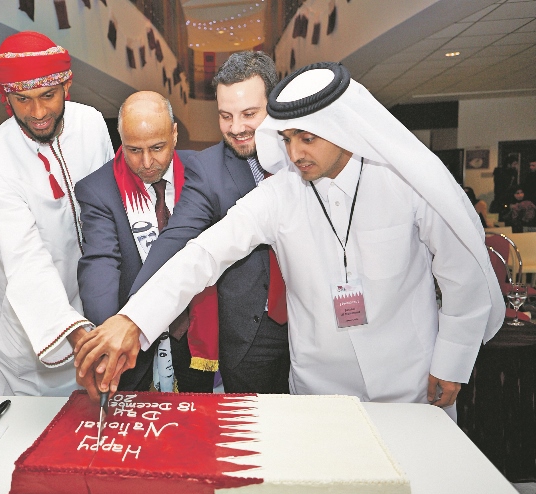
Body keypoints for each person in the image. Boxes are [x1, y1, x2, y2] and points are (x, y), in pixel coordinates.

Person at [75, 63, 504, 421]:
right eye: (287, 139)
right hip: (319, 387)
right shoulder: (282, 194)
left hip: (411, 377)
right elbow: (202, 256)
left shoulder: (403, 184)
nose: (296, 153)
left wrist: (452, 359)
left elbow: (461, 272)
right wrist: (134, 320)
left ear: (343, 129)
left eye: (308, 138)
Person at [89, 51, 290, 394]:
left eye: (249, 114)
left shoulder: (304, 152)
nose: (237, 128)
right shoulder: (208, 170)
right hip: (253, 334)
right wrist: (131, 318)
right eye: (225, 116)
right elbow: (176, 244)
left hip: (316, 321)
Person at [0, 31, 114, 396]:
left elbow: (112, 214)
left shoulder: (92, 124)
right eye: (23, 99)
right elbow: (23, 257)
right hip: (35, 331)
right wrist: (76, 334)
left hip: (97, 310)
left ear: (66, 85)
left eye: (47, 96)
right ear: (7, 97)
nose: (37, 113)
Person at [76, 91, 214, 393]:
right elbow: (101, 263)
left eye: (157, 147)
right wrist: (107, 336)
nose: (147, 162)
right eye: (134, 150)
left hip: (199, 332)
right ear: (120, 139)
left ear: (175, 134)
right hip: (134, 344)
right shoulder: (98, 190)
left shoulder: (204, 172)